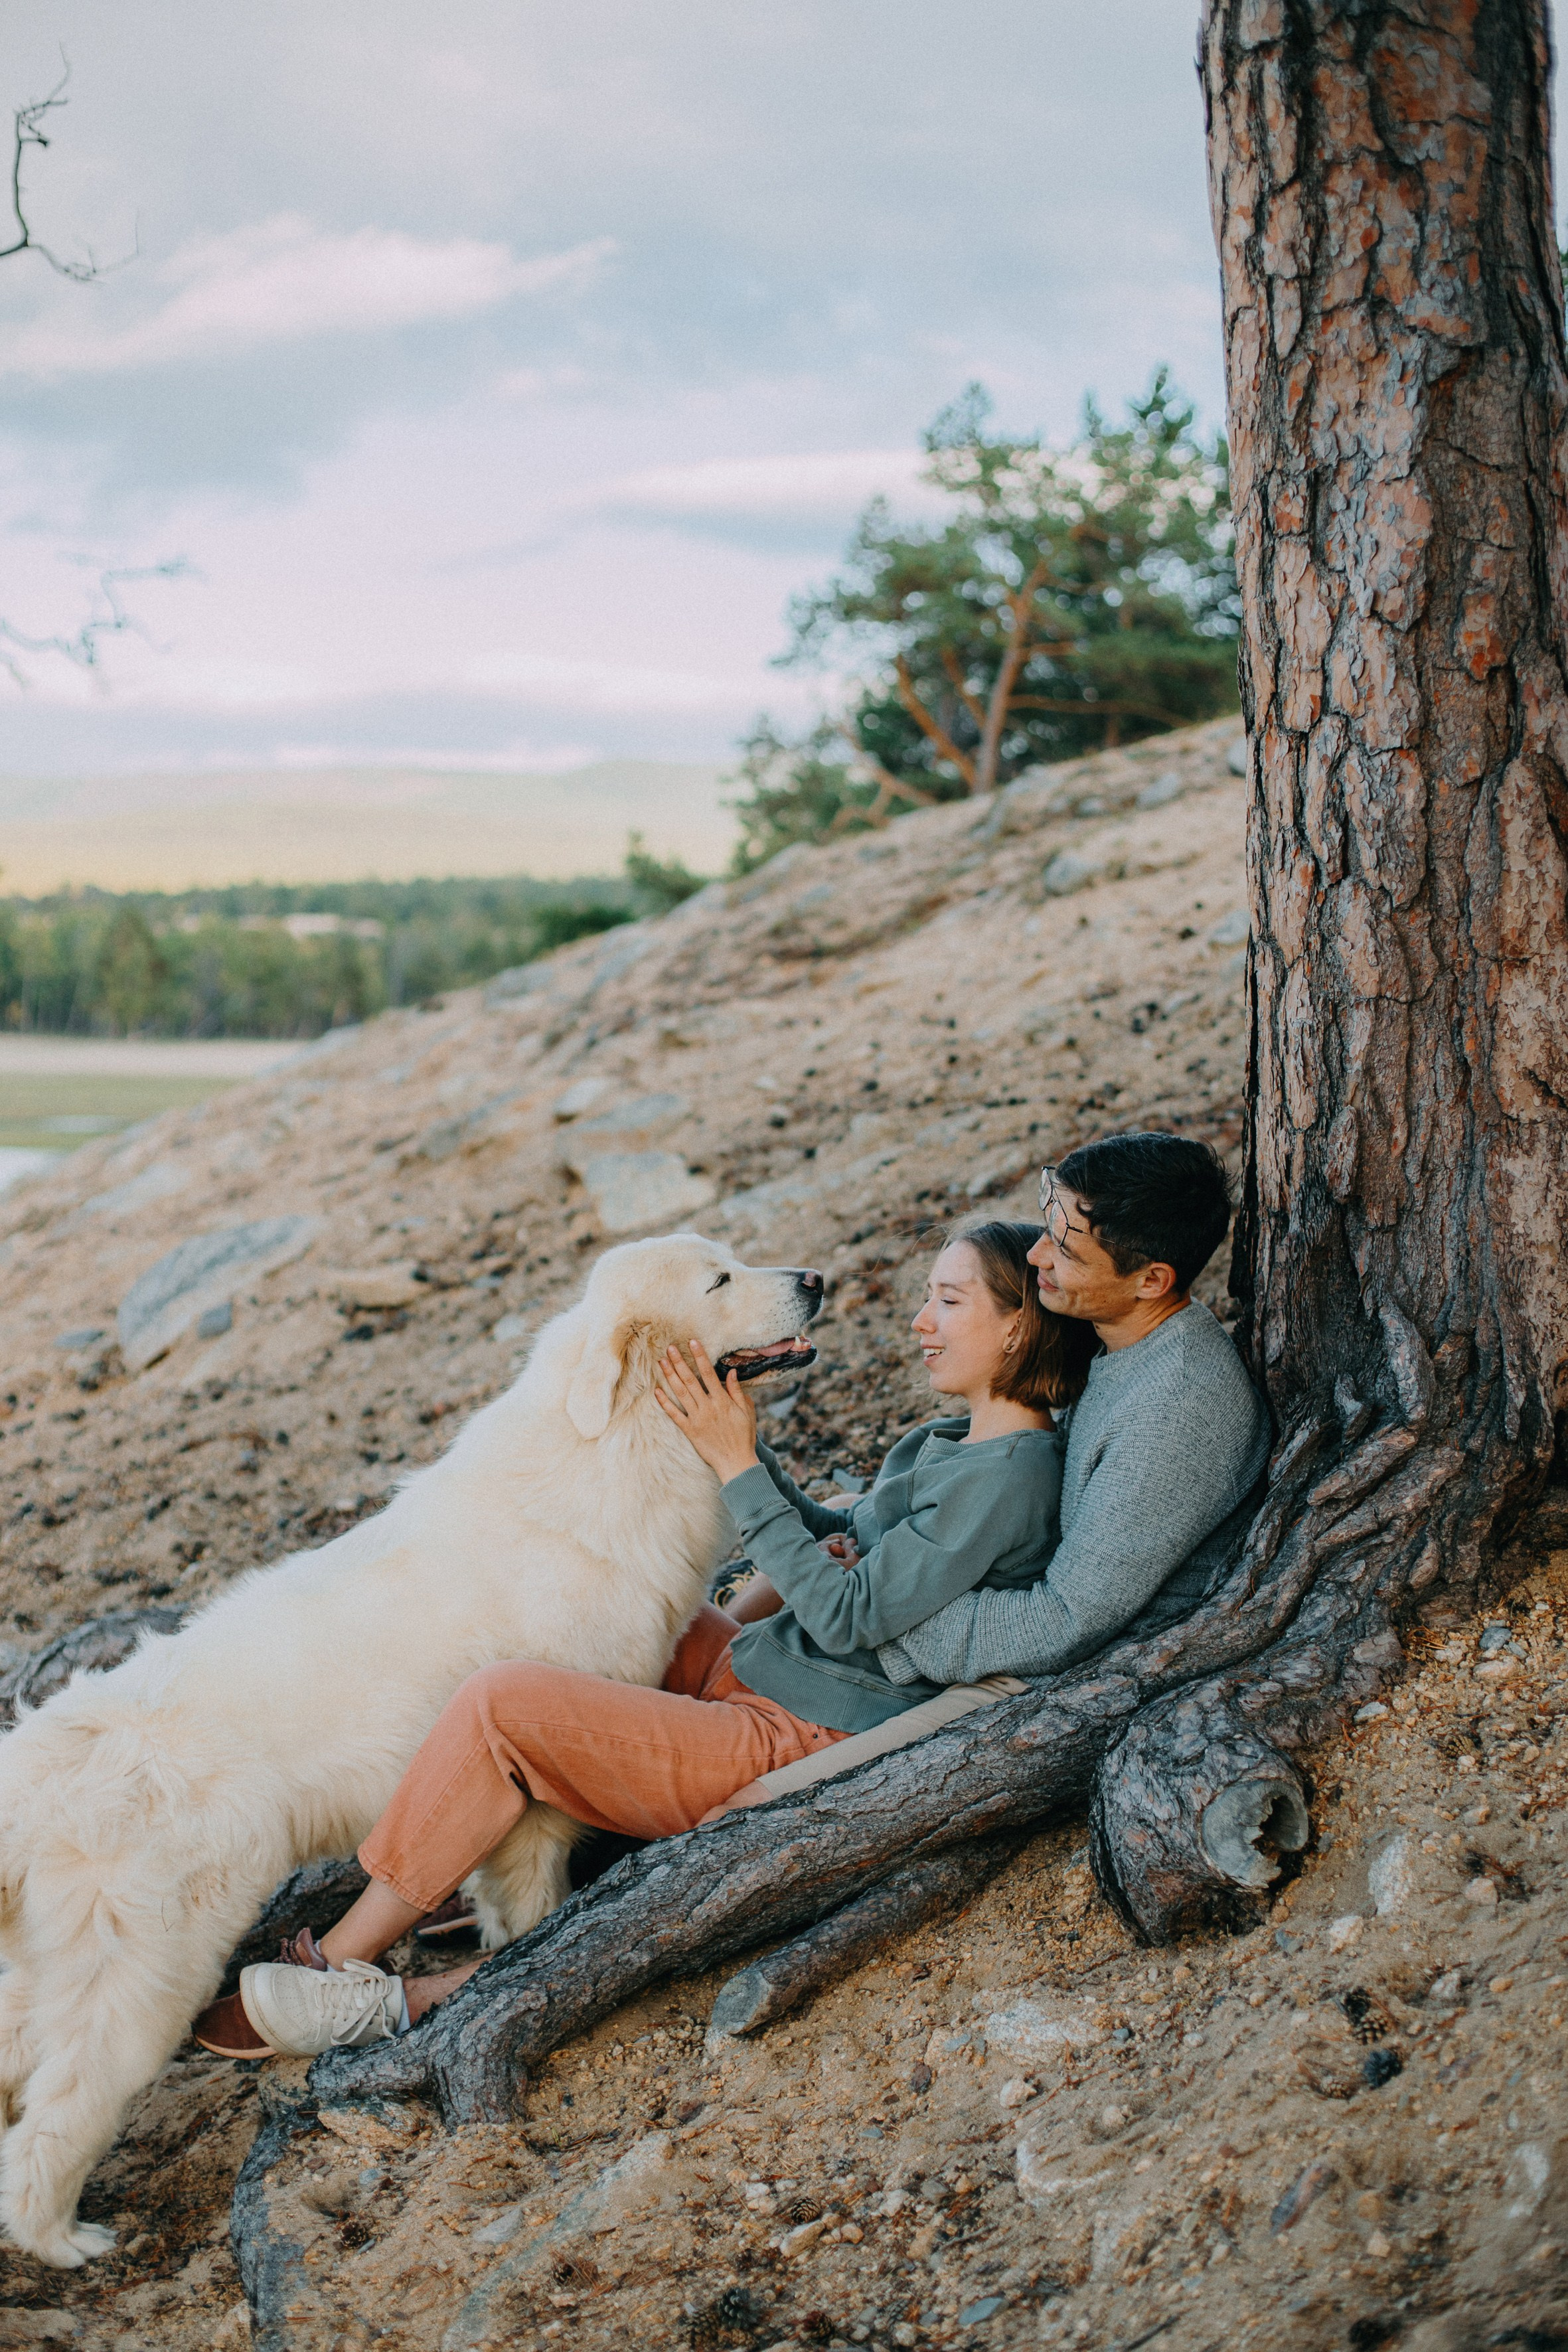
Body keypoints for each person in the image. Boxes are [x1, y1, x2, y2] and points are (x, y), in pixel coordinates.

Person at [193, 1218, 1093, 2060]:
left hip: (802, 1725)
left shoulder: (1006, 1477)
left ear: (1016, 1331)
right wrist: (728, 1438)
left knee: (505, 1697)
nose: (919, 1318)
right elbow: (831, 1532)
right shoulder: (951, 1442)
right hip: (775, 1670)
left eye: (947, 1301)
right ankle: (487, 1856)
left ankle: (342, 1970)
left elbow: (849, 1614)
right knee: (617, 1617)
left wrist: (738, 1462)